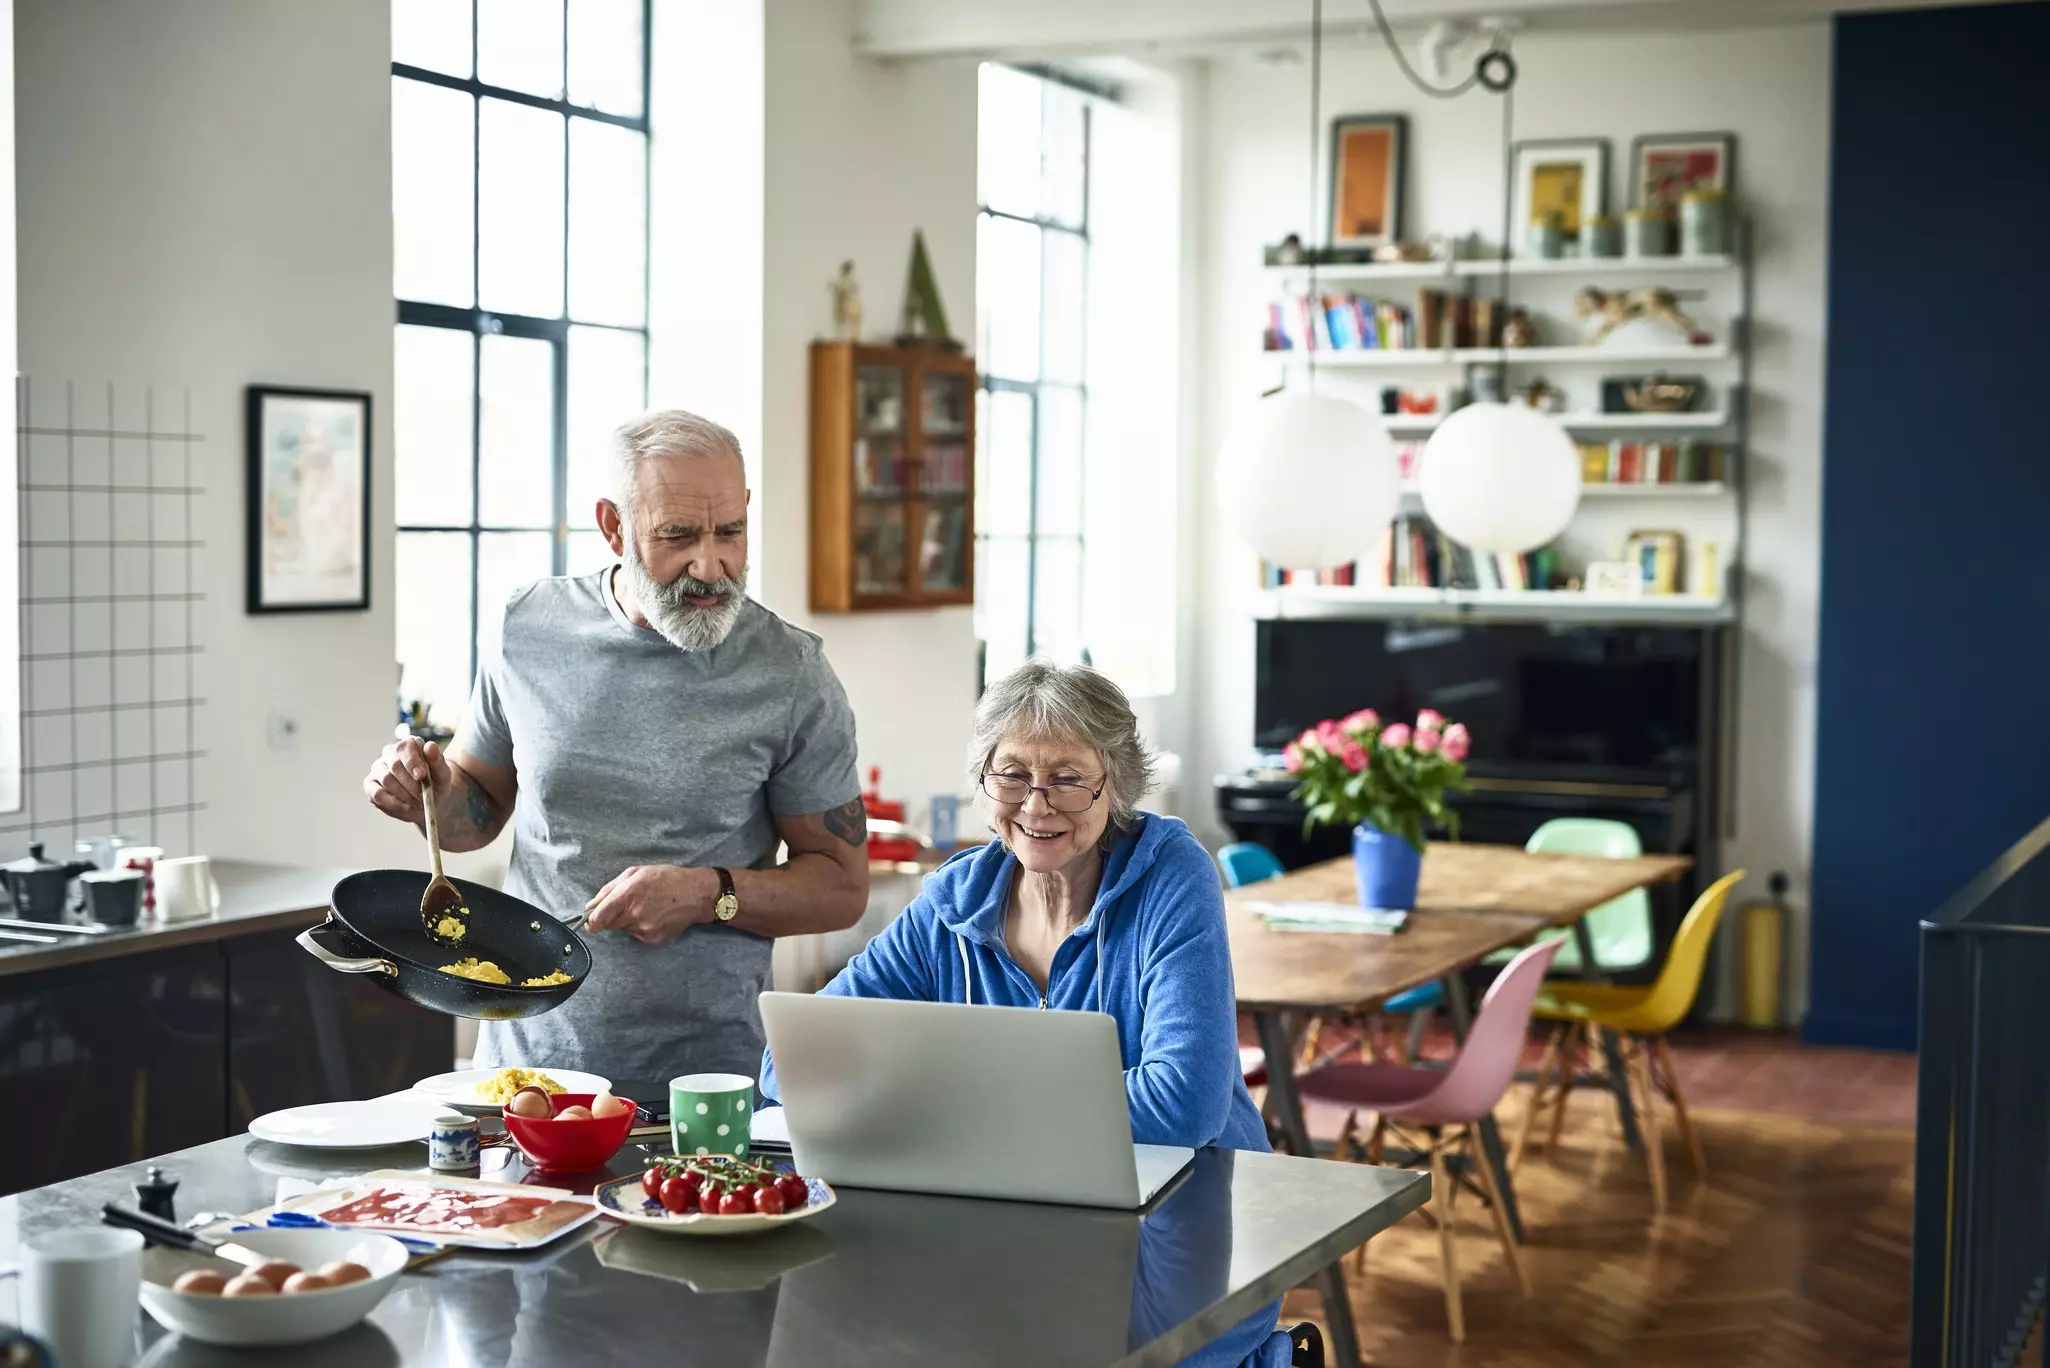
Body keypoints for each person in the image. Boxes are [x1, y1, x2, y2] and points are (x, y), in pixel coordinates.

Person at [760, 660, 1284, 1367]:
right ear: (985, 781)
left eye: (1068, 778)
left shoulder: (1170, 876)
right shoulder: (954, 901)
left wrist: (941, 1100)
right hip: (1006, 1241)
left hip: (1176, 1243)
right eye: (1012, 775)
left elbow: (1183, 1101)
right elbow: (793, 1065)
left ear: (1115, 785)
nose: (1037, 805)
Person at [364, 409, 870, 1084]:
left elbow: (840, 887)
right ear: (612, 526)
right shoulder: (529, 627)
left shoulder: (791, 673)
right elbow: (475, 814)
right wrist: (424, 792)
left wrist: (706, 892)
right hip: (526, 1075)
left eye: (731, 532)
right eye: (678, 535)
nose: (710, 565)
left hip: (704, 1087)